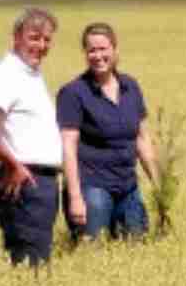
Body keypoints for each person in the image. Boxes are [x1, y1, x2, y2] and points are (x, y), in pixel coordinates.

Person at [0, 8, 62, 268]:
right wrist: (12, 164)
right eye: (34, 38)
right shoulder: (8, 74)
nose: (41, 45)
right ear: (16, 38)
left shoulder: (30, 73)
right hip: (25, 182)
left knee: (37, 263)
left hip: (40, 181)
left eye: (46, 39)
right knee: (30, 267)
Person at [57, 22, 159, 242]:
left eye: (103, 48)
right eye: (91, 50)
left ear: (115, 49)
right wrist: (75, 197)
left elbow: (142, 139)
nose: (98, 55)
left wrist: (159, 184)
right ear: (85, 54)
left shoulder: (130, 87)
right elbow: (68, 146)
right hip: (92, 188)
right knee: (92, 252)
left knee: (137, 248)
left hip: (128, 187)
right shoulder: (73, 93)